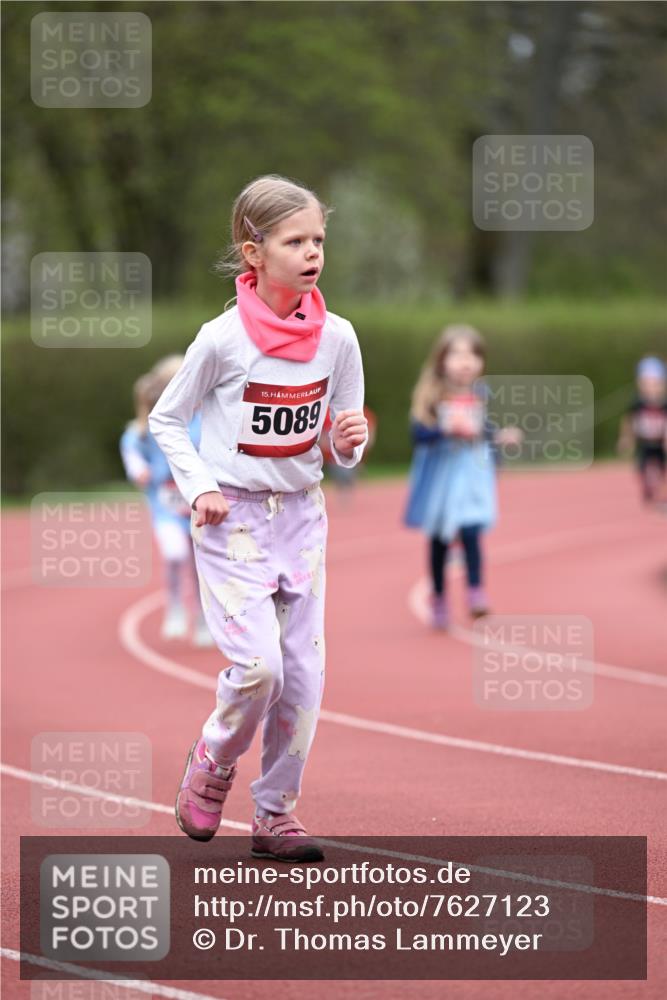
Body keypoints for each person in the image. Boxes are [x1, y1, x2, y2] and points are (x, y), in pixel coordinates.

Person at [148, 174, 367, 861]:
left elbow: (339, 441)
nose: (311, 253)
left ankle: (275, 814)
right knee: (259, 668)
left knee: (302, 676)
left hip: (301, 517)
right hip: (232, 520)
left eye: (318, 240)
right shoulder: (220, 341)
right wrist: (199, 486)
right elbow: (167, 418)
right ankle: (212, 763)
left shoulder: (338, 338)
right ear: (254, 251)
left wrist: (348, 442)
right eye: (295, 241)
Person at [404, 324, 519, 630]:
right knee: (441, 538)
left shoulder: (480, 394)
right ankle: (439, 597)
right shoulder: (432, 395)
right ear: (442, 361)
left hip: (472, 475)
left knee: (471, 531)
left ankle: (476, 592)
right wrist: (445, 429)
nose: (465, 362)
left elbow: (484, 430)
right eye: (456, 355)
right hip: (442, 476)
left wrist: (500, 439)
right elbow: (418, 434)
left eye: (472, 355)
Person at [120, 356, 214, 646]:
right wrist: (137, 469)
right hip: (165, 506)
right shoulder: (145, 426)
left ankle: (201, 618)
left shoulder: (204, 420)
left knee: (201, 566)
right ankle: (174, 606)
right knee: (174, 555)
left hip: (199, 505)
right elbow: (131, 447)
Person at [617, 356, 667, 506]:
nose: (651, 388)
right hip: (645, 443)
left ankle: (663, 495)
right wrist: (626, 439)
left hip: (661, 443)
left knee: (663, 469)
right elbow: (628, 421)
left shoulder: (665, 403)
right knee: (641, 468)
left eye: (655, 384)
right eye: (647, 384)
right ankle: (648, 488)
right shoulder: (637, 403)